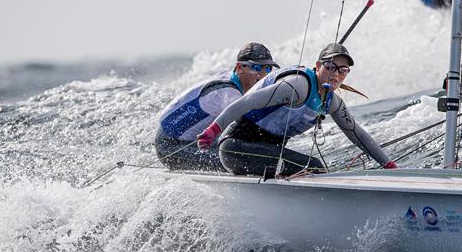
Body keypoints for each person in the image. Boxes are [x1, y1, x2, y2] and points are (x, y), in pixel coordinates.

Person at [196, 43, 398, 177]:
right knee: (314, 166)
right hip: (236, 148)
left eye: (343, 70)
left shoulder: (332, 102)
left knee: (313, 167)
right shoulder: (298, 87)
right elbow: (247, 102)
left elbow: (357, 134)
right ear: (318, 65)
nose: (336, 74)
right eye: (330, 66)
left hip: (265, 153)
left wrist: (388, 165)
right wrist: (214, 129)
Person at [154, 42, 279, 171]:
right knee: (235, 160)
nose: (262, 74)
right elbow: (252, 125)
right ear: (239, 67)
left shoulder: (235, 79)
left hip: (192, 141)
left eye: (268, 68)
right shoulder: (228, 93)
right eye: (256, 68)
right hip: (171, 147)